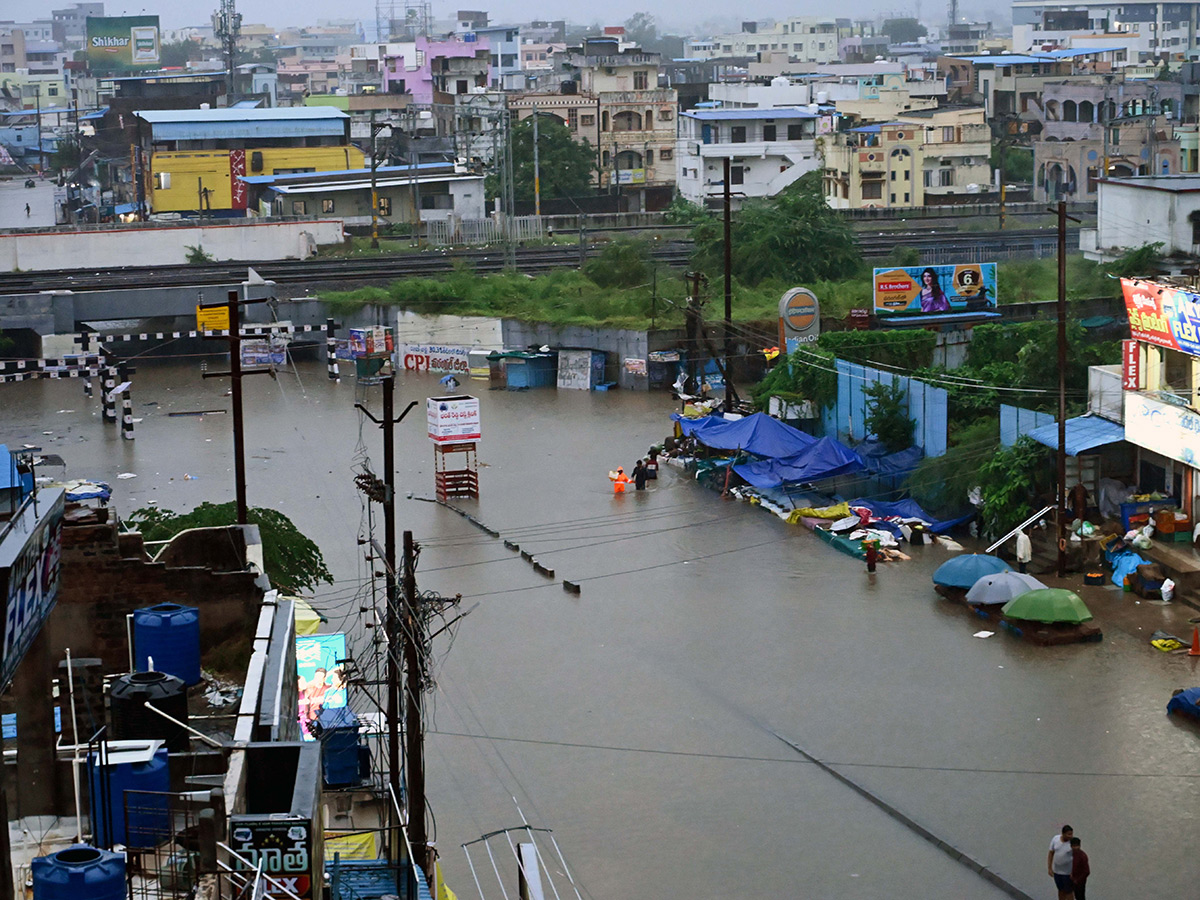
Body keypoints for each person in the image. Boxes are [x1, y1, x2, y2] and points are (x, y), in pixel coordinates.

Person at [1048, 824, 1075, 900]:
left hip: (1068, 873)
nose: (1071, 836)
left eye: (1071, 834)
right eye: (1069, 834)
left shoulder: (1073, 843)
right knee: (1061, 891)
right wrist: (1049, 868)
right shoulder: (1055, 839)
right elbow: (1051, 853)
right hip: (1057, 872)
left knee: (1069, 892)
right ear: (1063, 834)